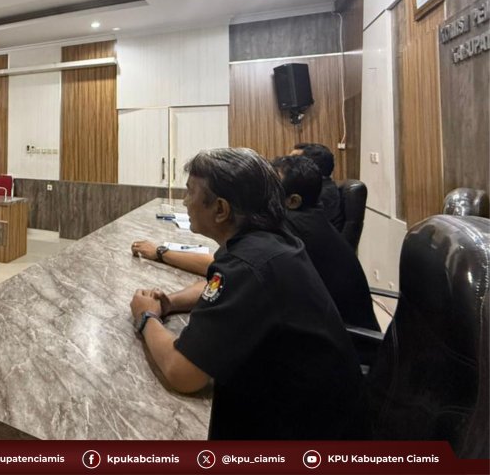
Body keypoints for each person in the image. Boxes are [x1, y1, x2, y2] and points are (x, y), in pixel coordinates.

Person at [129, 148, 365, 440]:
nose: (185, 201)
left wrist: (146, 316)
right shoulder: (265, 240)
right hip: (317, 410)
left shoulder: (250, 262)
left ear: (221, 210)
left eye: (190, 192)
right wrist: (170, 303)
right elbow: (220, 285)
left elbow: (183, 374)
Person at [271, 155, 380, 333]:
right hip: (332, 330)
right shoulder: (311, 217)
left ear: (293, 201)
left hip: (348, 339)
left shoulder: (289, 228)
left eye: (270, 187)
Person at [291, 142, 344, 231]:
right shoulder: (314, 188)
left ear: (310, 167)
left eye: (293, 161)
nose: (287, 166)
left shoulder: (321, 195)